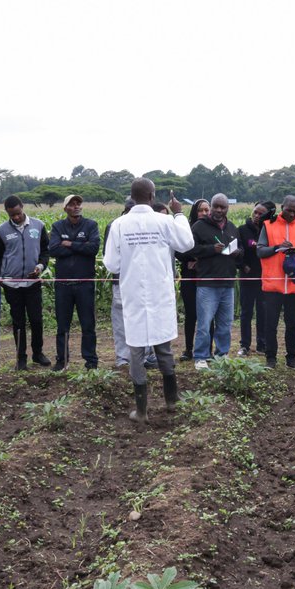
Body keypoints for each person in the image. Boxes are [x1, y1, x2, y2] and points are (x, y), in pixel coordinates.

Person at [103, 178, 194, 423]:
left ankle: (141, 411)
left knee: (135, 351)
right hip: (159, 296)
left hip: (133, 296)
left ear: (132, 198)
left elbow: (111, 264)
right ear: (152, 197)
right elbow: (186, 243)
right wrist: (179, 214)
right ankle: (172, 400)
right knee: (163, 348)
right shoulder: (164, 221)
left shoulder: (119, 225)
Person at [0, 195, 51, 370]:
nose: (16, 217)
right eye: (12, 215)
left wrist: (40, 266)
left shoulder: (39, 225)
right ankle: (21, 358)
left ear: (22, 207)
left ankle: (38, 353)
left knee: (36, 319)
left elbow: (45, 251)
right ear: (7, 213)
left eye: (18, 213)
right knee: (18, 322)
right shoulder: (2, 230)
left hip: (32, 283)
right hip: (12, 285)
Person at [257, 195, 295, 369]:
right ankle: (270, 358)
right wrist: (277, 248)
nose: (292, 214)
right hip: (273, 284)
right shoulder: (268, 225)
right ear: (282, 207)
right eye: (289, 210)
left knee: (293, 325)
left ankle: (291, 358)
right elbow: (260, 251)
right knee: (270, 324)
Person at [187, 193, 241, 369]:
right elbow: (191, 249)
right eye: (216, 206)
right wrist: (212, 249)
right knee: (204, 323)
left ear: (227, 208)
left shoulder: (232, 228)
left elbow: (241, 251)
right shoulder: (199, 226)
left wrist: (237, 253)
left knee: (225, 323)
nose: (219, 210)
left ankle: (222, 355)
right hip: (207, 283)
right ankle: (201, 357)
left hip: (227, 282)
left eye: (222, 207)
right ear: (211, 206)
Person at [48, 194, 101, 371]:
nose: (77, 206)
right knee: (62, 325)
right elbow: (54, 250)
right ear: (66, 208)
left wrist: (69, 244)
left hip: (85, 283)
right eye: (72, 204)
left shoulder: (91, 225)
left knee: (88, 325)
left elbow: (93, 249)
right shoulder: (57, 226)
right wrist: (80, 246)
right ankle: (62, 360)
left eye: (78, 203)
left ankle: (91, 362)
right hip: (63, 284)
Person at [178, 199, 210, 360]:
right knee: (191, 314)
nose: (204, 213)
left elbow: (217, 249)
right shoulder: (186, 229)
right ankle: (189, 349)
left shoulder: (213, 229)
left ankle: (207, 350)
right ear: (194, 212)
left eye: (206, 210)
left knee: (208, 315)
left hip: (207, 277)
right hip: (189, 277)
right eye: (200, 210)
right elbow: (178, 250)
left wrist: (200, 260)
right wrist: (191, 257)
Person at [105, 197, 135, 368]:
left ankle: (143, 356)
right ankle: (123, 357)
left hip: (138, 282)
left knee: (139, 319)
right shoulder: (115, 225)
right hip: (121, 281)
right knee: (121, 320)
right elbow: (109, 257)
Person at [237, 202, 270, 356]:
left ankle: (262, 345)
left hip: (264, 278)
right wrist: (243, 266)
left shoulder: (269, 231)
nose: (257, 216)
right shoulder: (242, 230)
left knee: (263, 311)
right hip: (247, 278)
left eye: (261, 214)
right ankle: (244, 345)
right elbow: (238, 251)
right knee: (246, 312)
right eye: (255, 212)